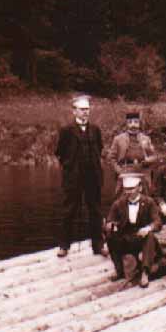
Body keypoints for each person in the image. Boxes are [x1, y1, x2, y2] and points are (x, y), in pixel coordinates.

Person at [54, 94, 107, 258]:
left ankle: (98, 246)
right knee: (69, 210)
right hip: (73, 178)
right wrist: (70, 168)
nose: (86, 113)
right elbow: (60, 153)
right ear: (74, 111)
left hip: (93, 177)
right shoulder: (66, 131)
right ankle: (64, 246)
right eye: (82, 109)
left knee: (96, 211)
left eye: (87, 109)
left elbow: (100, 149)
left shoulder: (95, 130)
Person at [105, 173, 162, 287]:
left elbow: (157, 222)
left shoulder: (149, 202)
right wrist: (111, 225)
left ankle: (145, 272)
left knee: (150, 237)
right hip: (126, 238)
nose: (129, 192)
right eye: (126, 189)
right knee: (111, 237)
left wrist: (148, 228)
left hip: (141, 238)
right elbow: (110, 220)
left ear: (139, 188)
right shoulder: (119, 203)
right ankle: (119, 271)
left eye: (132, 189)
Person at [109, 110, 156, 195]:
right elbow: (111, 158)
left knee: (145, 196)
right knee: (123, 196)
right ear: (126, 124)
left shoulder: (146, 138)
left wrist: (148, 160)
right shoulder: (118, 139)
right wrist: (119, 170)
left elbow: (153, 156)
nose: (133, 125)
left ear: (139, 124)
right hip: (126, 169)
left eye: (136, 122)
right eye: (130, 122)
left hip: (142, 170)